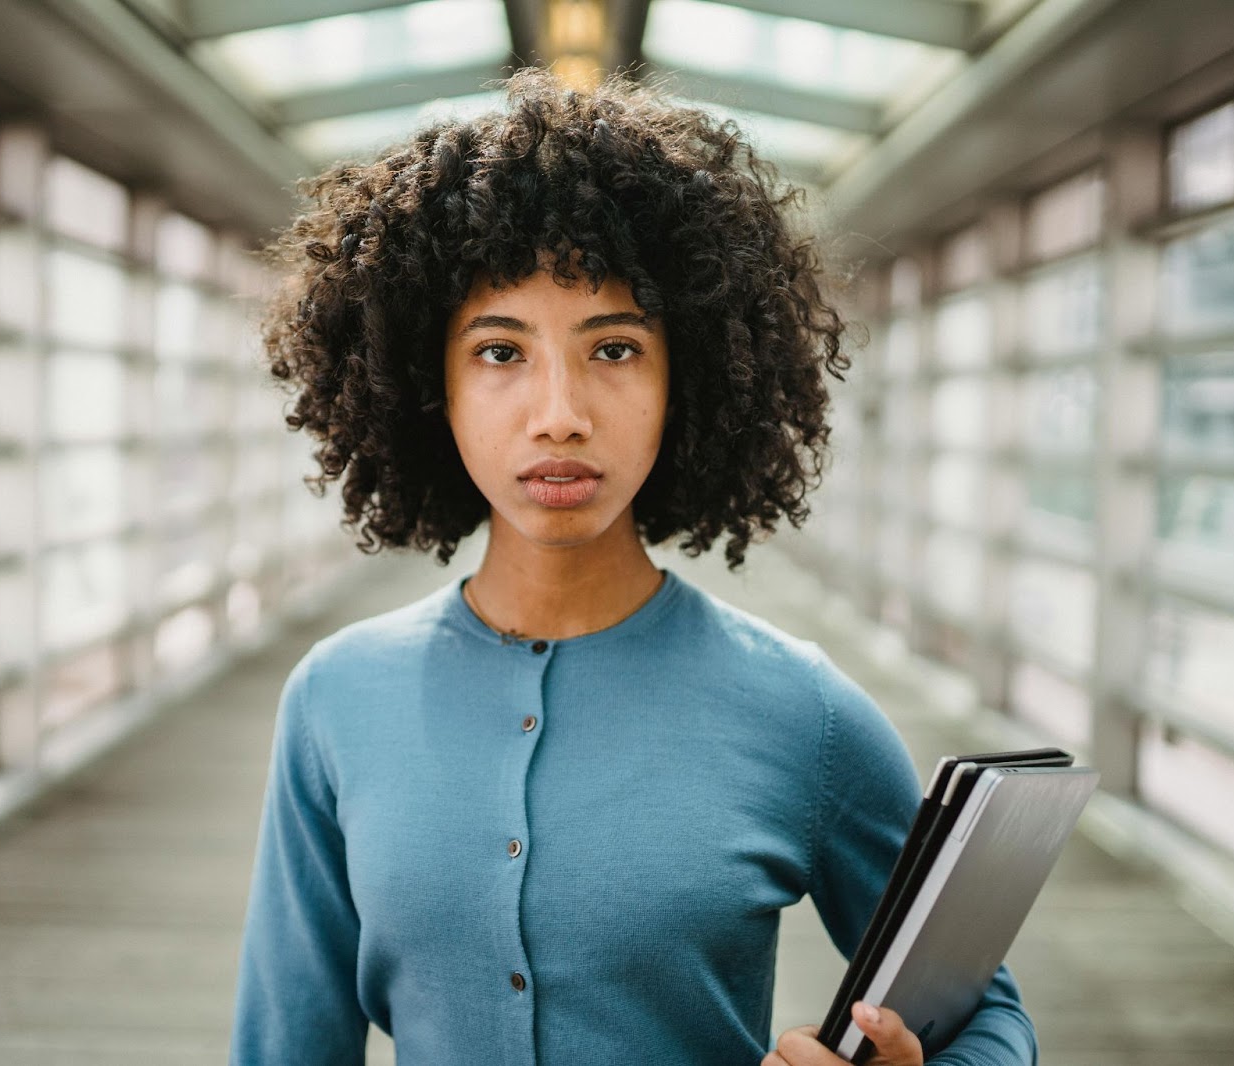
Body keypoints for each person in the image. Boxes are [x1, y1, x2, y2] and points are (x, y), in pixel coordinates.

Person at [228, 67, 1037, 1066]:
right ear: (424, 382)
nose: (558, 410)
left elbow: (985, 1014)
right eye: (498, 351)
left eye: (612, 350)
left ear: (684, 376)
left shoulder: (803, 715)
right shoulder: (335, 701)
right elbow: (285, 1046)